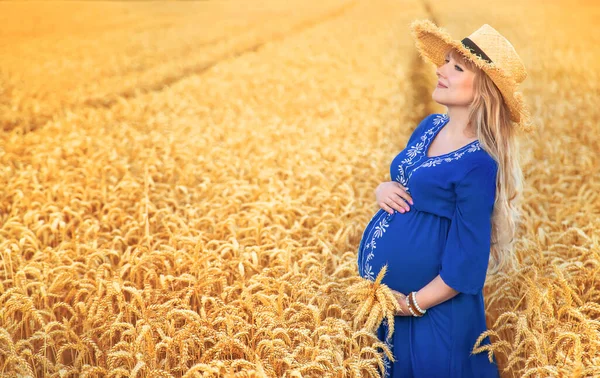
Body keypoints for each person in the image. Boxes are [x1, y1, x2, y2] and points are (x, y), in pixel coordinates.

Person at [356, 19, 534, 378]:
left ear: (483, 89)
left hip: (434, 318)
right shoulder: (429, 126)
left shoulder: (479, 163)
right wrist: (383, 188)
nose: (441, 70)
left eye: (456, 66)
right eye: (445, 62)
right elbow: (405, 180)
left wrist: (413, 304)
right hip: (391, 309)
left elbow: (468, 262)